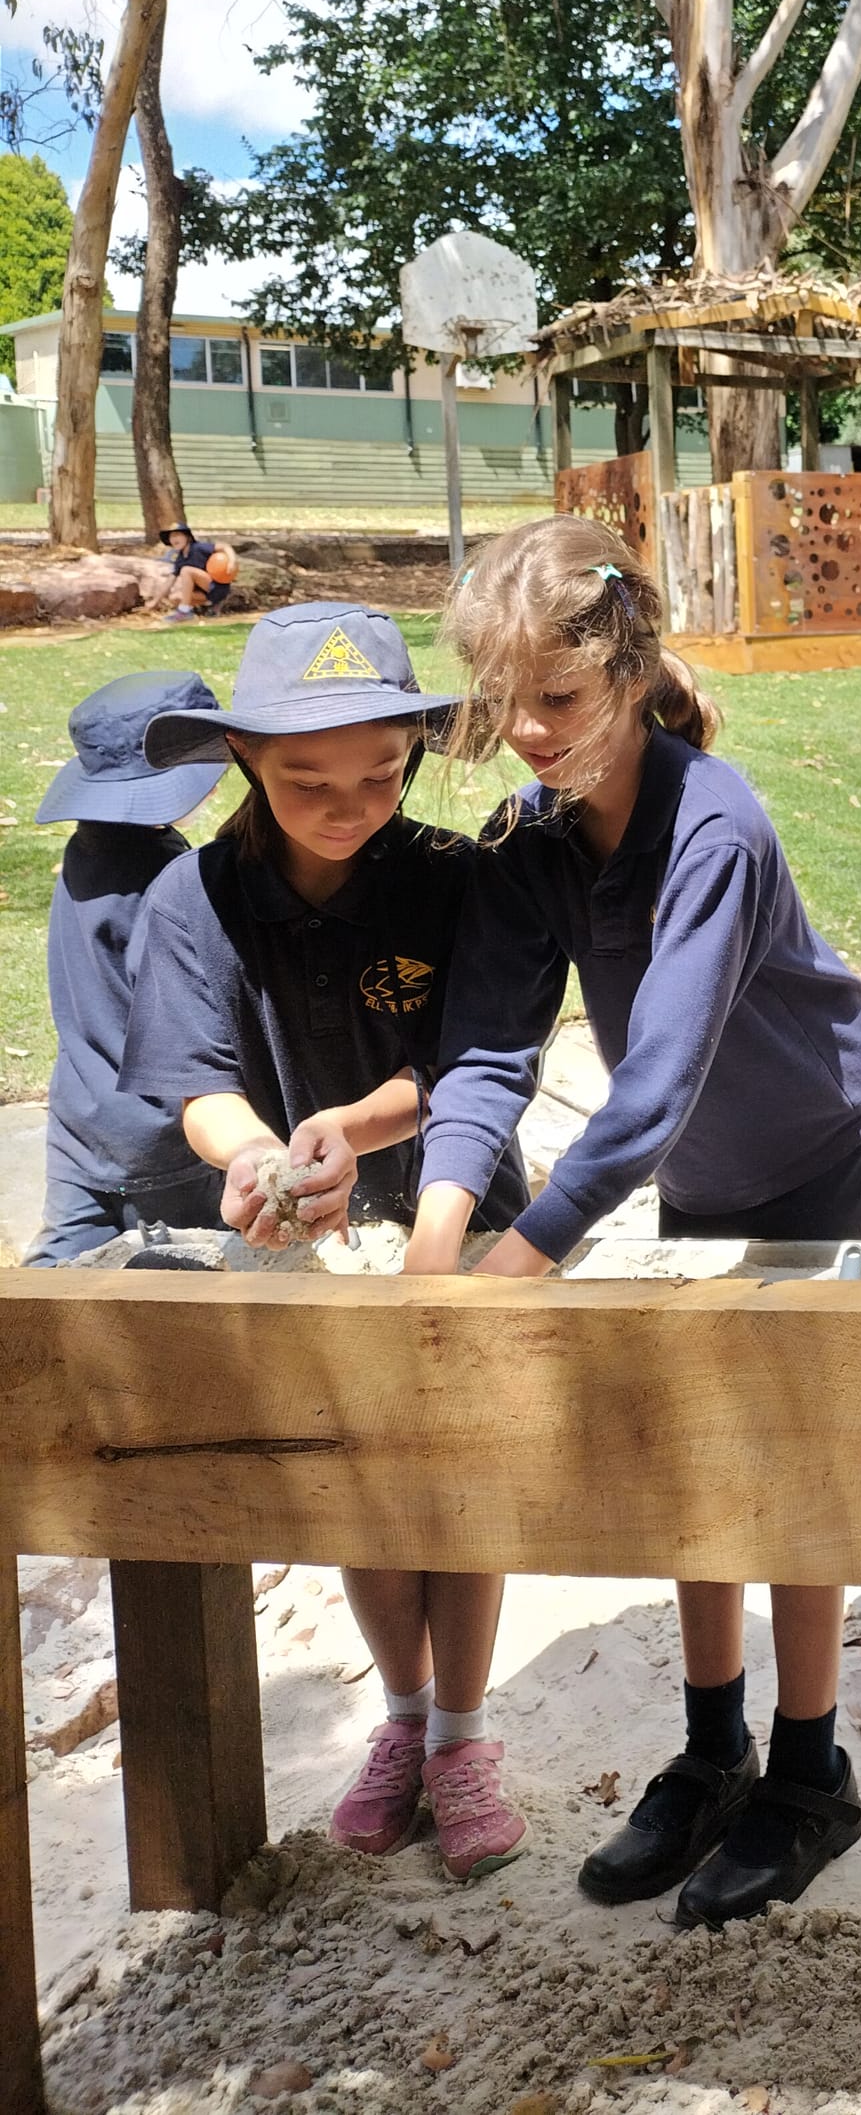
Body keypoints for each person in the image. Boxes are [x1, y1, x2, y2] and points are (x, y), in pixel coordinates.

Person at [405, 513, 861, 1929]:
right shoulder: (531, 835)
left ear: (628, 671)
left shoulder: (716, 823)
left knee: (796, 1451)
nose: (530, 735)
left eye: (557, 701)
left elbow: (654, 1090)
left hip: (816, 1140)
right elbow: (491, 1050)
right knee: (698, 1449)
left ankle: (810, 1772)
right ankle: (711, 1746)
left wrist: (516, 1260)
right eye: (503, 707)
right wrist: (440, 1239)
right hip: (704, 1163)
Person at [120, 601, 532, 1883]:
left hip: (456, 1214)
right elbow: (191, 1078)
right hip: (302, 1235)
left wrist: (355, 1122)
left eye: (382, 772)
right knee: (359, 1485)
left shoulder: (457, 878)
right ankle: (400, 1724)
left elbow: (473, 1059)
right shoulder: (193, 895)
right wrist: (254, 1155)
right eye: (307, 779)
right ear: (243, 758)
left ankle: (464, 1734)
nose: (347, 801)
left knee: (458, 1488)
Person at [26, 671, 225, 1264]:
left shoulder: (85, 850)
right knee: (187, 1285)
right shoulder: (171, 878)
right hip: (162, 1137)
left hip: (80, 1123)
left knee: (50, 1287)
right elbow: (190, 1011)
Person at [155, 522, 219, 621]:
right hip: (204, 594)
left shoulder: (198, 548)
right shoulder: (180, 559)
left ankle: (184, 610)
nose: (174, 539)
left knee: (186, 570)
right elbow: (170, 581)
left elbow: (224, 547)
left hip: (215, 587)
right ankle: (199, 610)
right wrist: (155, 601)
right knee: (174, 597)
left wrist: (231, 562)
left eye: (177, 535)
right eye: (171, 537)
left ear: (187, 537)